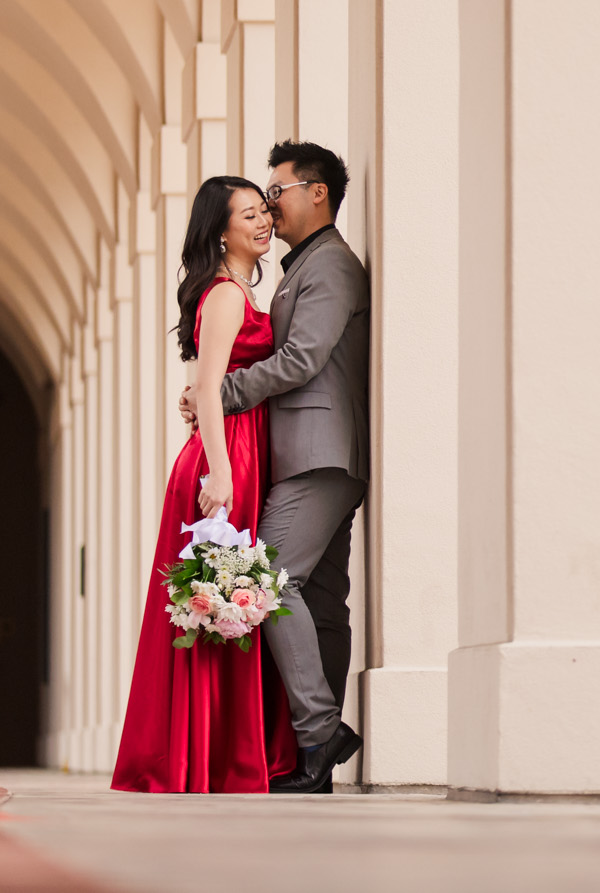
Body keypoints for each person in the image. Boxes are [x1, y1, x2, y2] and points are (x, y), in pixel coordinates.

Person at [182, 141, 369, 794]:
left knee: (266, 580)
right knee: (321, 605)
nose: (269, 204)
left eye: (277, 190)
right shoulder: (303, 267)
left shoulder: (332, 266)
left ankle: (320, 730)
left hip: (317, 453)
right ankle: (312, 755)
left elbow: (302, 358)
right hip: (307, 453)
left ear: (317, 192)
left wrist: (221, 392)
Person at [111, 176, 296, 792]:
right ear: (221, 230)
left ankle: (215, 751)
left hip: (238, 449)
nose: (264, 221)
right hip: (228, 457)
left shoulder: (235, 290)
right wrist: (219, 470)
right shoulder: (223, 295)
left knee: (225, 604)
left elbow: (202, 383)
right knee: (220, 601)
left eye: (264, 211)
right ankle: (215, 756)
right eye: (249, 214)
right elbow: (212, 386)